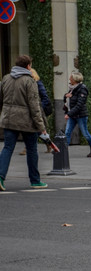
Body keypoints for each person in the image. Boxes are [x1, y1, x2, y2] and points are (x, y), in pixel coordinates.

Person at [0, 54, 49, 190]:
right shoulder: (29, 81)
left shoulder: (6, 78)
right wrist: (41, 126)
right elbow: (35, 106)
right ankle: (35, 180)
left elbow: (1, 98)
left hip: (9, 119)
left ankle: (0, 177)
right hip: (26, 121)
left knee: (7, 148)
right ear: (28, 66)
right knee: (32, 149)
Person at [19, 68, 56, 155]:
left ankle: (29, 147)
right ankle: (48, 143)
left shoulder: (38, 84)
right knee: (36, 130)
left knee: (37, 130)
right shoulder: (27, 84)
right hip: (29, 111)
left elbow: (45, 98)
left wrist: (38, 108)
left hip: (37, 111)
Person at [64, 71, 91, 157]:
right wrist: (65, 96)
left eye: (71, 78)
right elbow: (68, 98)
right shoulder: (72, 88)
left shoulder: (82, 89)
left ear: (75, 79)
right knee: (67, 132)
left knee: (85, 133)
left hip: (81, 115)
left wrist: (69, 114)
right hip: (73, 115)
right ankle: (64, 151)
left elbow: (80, 104)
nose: (69, 79)